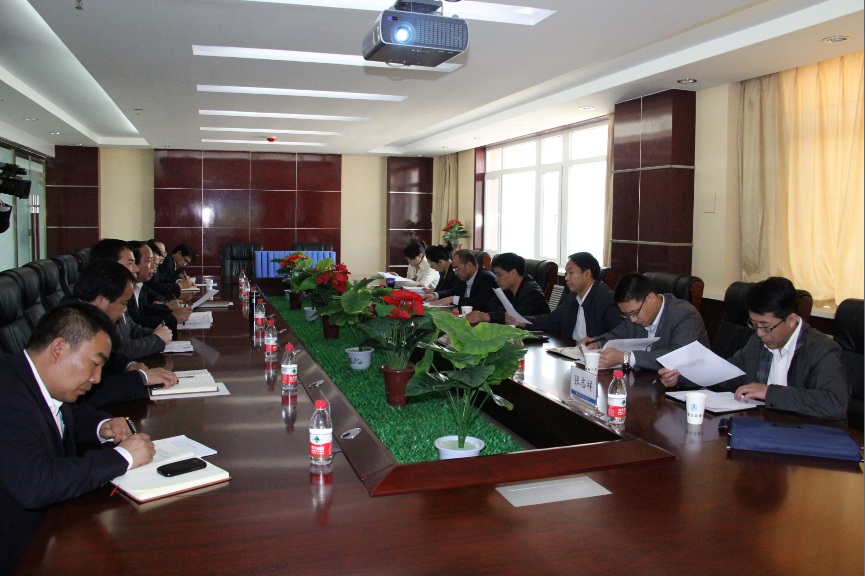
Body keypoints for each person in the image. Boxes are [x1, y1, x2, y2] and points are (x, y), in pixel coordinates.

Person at [0, 302, 156, 572]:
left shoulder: (35, 381)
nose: (97, 378)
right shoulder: (6, 393)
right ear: (58, 349)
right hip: (20, 552)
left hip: (53, 527)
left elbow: (64, 415)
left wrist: (103, 426)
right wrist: (122, 457)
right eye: (94, 364)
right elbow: (35, 484)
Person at [659, 277, 848, 422]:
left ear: (791, 320)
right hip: (765, 428)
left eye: (765, 326)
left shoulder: (822, 350)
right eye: (754, 324)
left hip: (809, 438)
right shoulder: (757, 343)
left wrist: (769, 392)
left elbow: (835, 403)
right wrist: (680, 375)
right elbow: (726, 373)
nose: (759, 333)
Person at [68, 261, 178, 407]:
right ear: (101, 300)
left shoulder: (89, 316)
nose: (125, 310)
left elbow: (110, 358)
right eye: (123, 303)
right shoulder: (71, 325)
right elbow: (84, 394)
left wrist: (129, 365)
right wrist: (141, 378)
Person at [587, 272, 710, 370]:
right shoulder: (635, 314)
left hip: (686, 388)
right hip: (647, 381)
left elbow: (676, 356)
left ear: (651, 298)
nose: (633, 319)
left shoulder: (685, 314)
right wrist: (597, 342)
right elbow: (617, 335)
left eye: (634, 313)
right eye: (627, 315)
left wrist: (626, 358)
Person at [88, 239, 172, 359]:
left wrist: (155, 333)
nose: (136, 269)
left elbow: (131, 327)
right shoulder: (100, 298)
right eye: (130, 263)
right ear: (111, 264)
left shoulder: (118, 292)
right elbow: (118, 348)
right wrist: (156, 339)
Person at [510, 252, 622, 339]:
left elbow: (618, 335)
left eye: (571, 272)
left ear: (587, 274)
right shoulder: (573, 296)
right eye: (566, 273)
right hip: (570, 352)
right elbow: (552, 320)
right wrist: (522, 321)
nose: (566, 278)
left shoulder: (606, 299)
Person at [466, 252, 549, 324]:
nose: (496, 279)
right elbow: (490, 307)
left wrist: (487, 316)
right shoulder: (508, 289)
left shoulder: (532, 293)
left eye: (499, 275)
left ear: (513, 273)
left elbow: (517, 316)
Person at [424, 249, 496, 311]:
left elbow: (480, 303)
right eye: (454, 269)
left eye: (457, 268)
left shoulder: (486, 278)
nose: (455, 273)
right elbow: (453, 291)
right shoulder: (465, 278)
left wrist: (454, 299)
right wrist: (435, 295)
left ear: (468, 265)